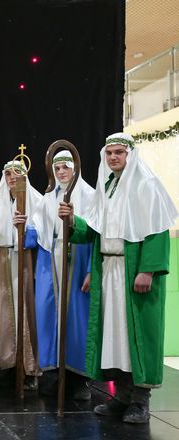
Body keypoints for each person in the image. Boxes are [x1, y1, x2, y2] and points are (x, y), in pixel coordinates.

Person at [58, 133, 177, 423]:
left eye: (119, 152)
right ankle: (123, 396)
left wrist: (147, 269)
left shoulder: (146, 185)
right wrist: (72, 220)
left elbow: (157, 230)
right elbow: (94, 230)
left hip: (133, 269)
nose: (113, 157)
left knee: (139, 335)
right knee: (115, 336)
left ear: (130, 154)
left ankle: (140, 400)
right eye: (109, 153)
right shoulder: (108, 187)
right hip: (108, 269)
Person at [33, 150, 95, 400]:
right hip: (50, 261)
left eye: (65, 167)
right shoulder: (48, 198)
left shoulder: (89, 196)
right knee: (49, 317)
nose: (61, 172)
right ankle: (52, 374)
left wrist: (90, 269)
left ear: (75, 168)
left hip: (78, 258)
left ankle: (79, 379)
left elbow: (95, 235)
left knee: (77, 318)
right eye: (57, 168)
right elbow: (38, 232)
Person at [0, 159, 43, 389]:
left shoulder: (38, 201)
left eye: (16, 173)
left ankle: (30, 369)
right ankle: (9, 365)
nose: (12, 177)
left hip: (27, 260)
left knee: (28, 313)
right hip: (2, 261)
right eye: (8, 174)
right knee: (3, 316)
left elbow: (46, 234)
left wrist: (26, 229)